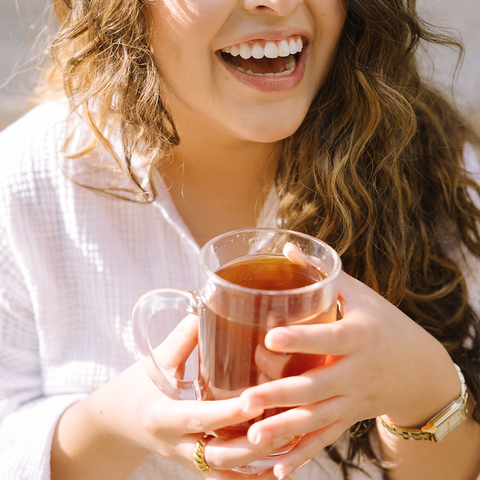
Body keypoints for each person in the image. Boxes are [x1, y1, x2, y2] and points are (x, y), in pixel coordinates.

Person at [0, 0, 480, 479]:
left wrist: (426, 391)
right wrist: (112, 423)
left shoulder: (441, 178)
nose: (278, 2)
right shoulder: (25, 182)